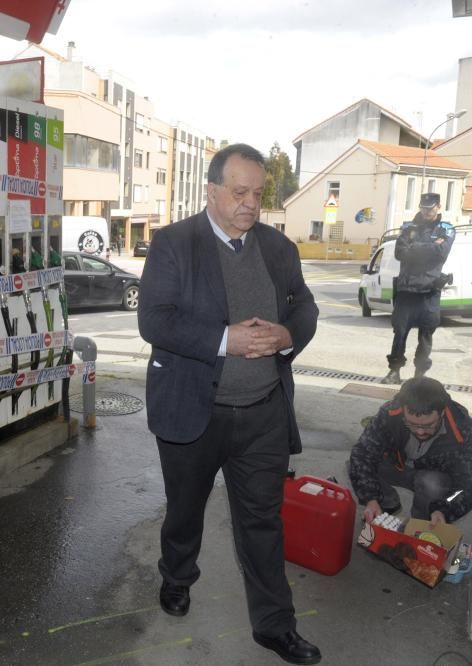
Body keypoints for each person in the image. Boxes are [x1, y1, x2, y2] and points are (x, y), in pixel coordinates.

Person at [138, 143, 321, 665]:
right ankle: (177, 576)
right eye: (239, 192)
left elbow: (304, 305)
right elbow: (154, 320)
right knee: (185, 509)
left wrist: (289, 333)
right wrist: (225, 340)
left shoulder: (278, 249)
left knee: (263, 521)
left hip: (263, 411)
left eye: (257, 194)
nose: (249, 203)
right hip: (195, 410)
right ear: (212, 191)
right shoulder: (175, 243)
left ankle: (274, 626)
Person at [348, 376, 472, 526]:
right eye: (411, 424)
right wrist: (371, 498)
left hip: (431, 478)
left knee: (432, 484)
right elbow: (362, 454)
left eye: (428, 425)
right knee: (356, 464)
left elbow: (470, 485)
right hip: (396, 466)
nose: (419, 432)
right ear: (403, 409)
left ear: (442, 413)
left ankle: (421, 524)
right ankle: (385, 504)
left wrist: (445, 509)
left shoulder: (465, 430)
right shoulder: (390, 413)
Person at [380, 191, 456, 384]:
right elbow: (399, 253)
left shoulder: (446, 229)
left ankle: (419, 375)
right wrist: (428, 246)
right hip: (407, 290)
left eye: (430, 208)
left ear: (438, 207)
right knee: (400, 332)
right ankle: (394, 371)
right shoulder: (408, 227)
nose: (426, 211)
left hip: (429, 291)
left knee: (426, 334)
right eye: (423, 207)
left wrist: (414, 247)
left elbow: (441, 253)